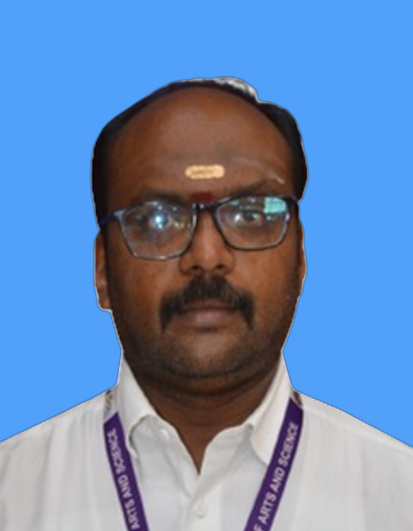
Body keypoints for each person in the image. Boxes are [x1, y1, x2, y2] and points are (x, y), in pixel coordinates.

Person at [0, 77, 412, 531]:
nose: (207, 256)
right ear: (102, 269)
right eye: (157, 220)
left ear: (299, 258)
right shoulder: (13, 494)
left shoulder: (398, 495)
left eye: (252, 214)